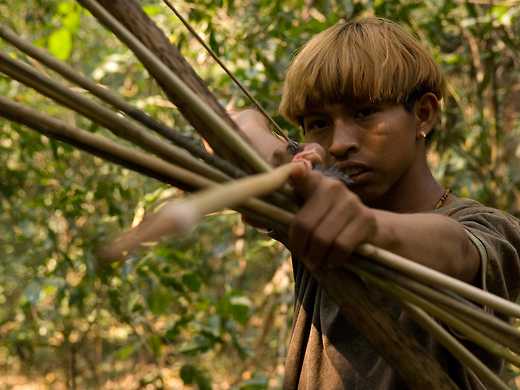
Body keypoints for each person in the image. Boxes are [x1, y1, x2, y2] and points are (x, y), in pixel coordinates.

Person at [231, 17, 520, 389]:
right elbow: (241, 123)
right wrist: (282, 163)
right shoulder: (310, 204)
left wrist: (367, 227)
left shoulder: (489, 229)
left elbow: (457, 251)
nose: (338, 143)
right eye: (319, 123)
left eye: (364, 113)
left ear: (423, 113)